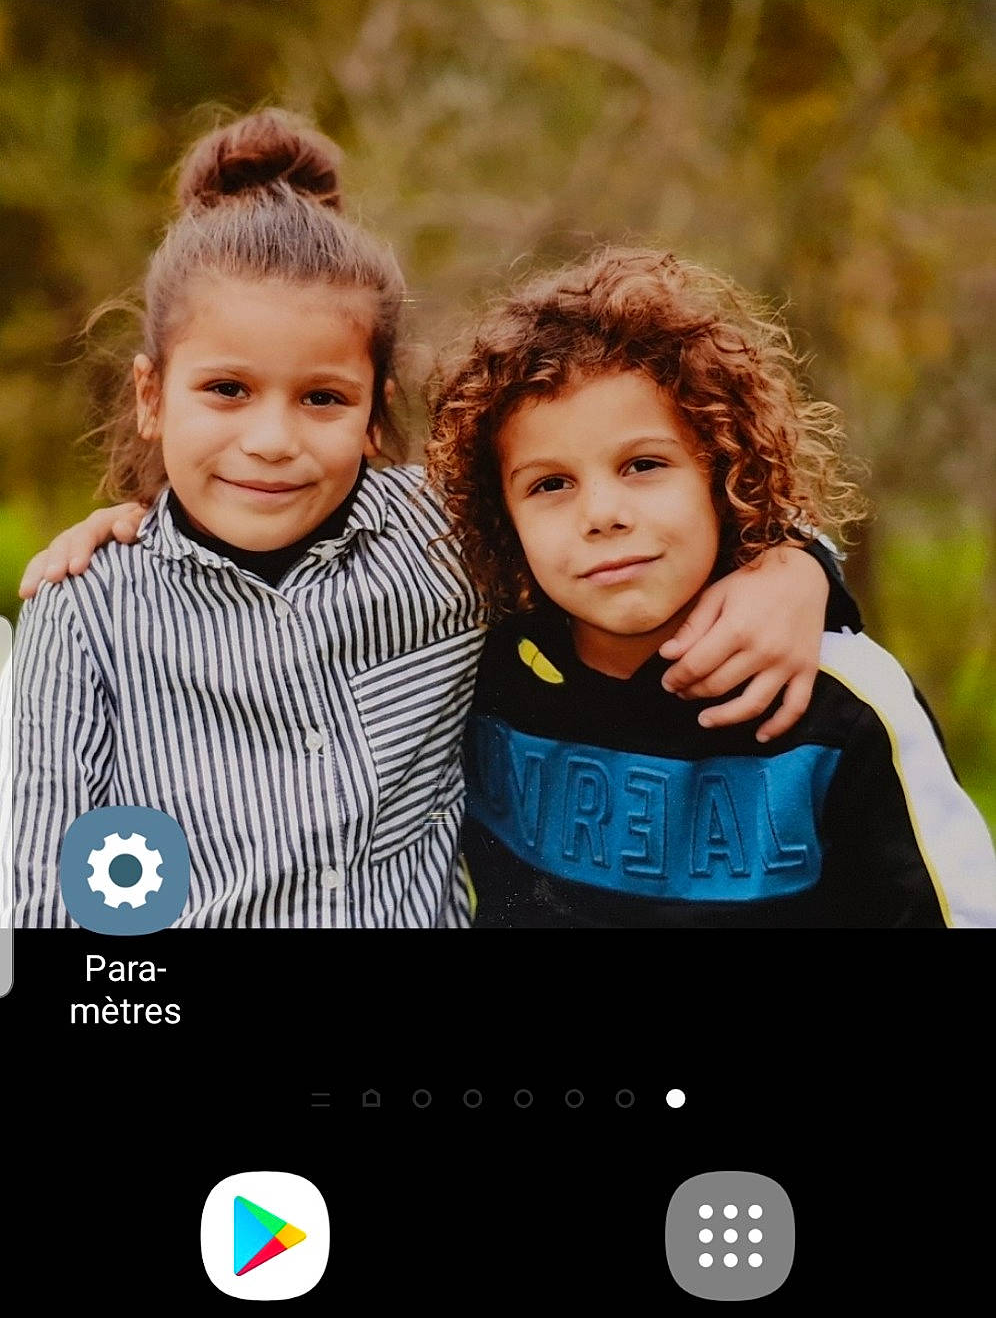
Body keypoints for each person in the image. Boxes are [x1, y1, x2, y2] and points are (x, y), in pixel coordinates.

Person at [14, 111, 859, 930]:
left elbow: (633, 544)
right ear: (152, 396)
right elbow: (45, 896)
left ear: (375, 415)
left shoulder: (444, 539)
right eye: (227, 390)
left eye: (322, 399)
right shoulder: (86, 611)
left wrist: (796, 567)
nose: (270, 442)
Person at [424, 245, 996, 927]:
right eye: (551, 484)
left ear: (724, 475)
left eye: (642, 465)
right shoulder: (477, 668)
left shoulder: (844, 701)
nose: (602, 514)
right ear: (501, 516)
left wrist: (802, 559)